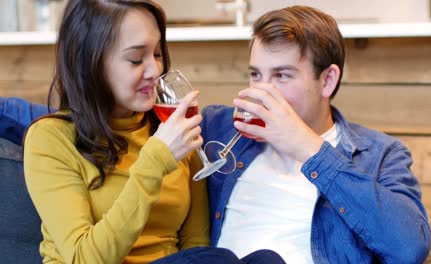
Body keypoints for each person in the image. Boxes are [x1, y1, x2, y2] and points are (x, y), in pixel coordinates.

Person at [22, 1, 286, 264]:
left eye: (157, 54)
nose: (155, 70)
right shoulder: (51, 139)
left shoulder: (172, 132)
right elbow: (84, 259)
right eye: (136, 59)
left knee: (265, 260)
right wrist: (154, 161)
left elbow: (195, 244)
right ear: (90, 63)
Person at [201, 5, 431, 263]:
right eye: (256, 74)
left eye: (281, 75)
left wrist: (307, 146)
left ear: (327, 80)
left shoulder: (380, 155)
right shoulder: (219, 128)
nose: (261, 92)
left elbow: (408, 247)